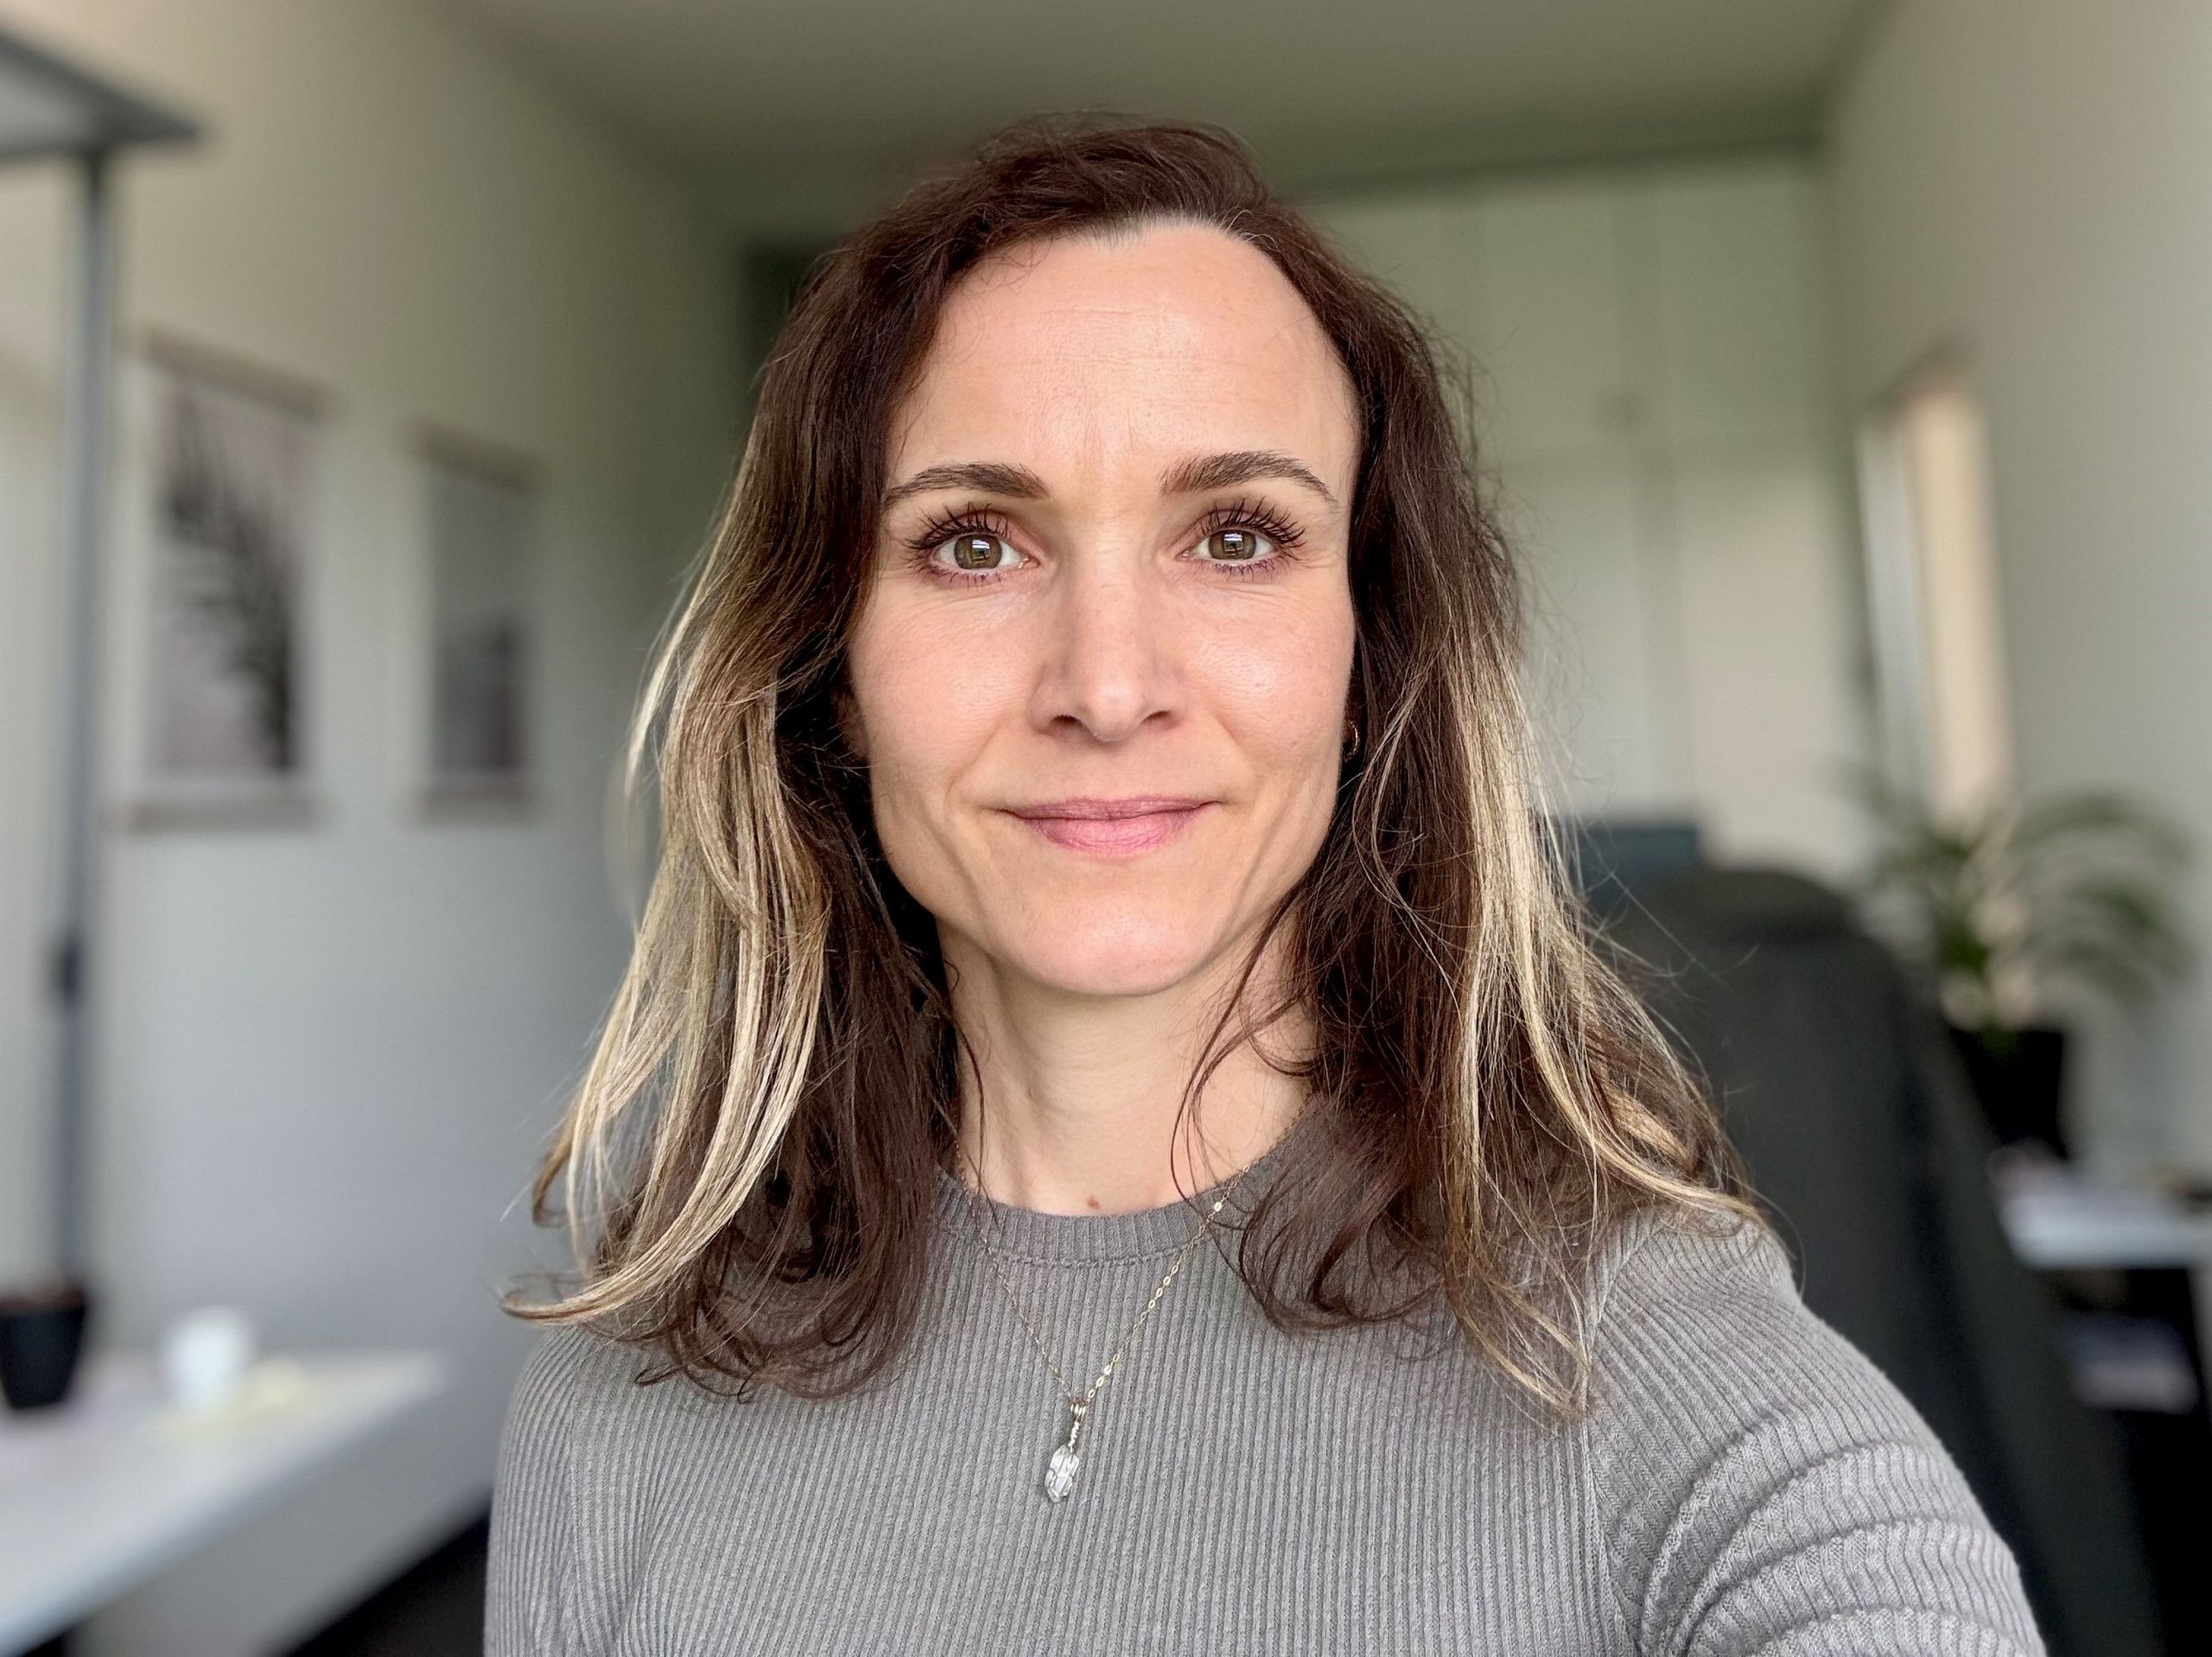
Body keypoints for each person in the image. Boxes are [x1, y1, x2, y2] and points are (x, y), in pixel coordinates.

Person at [485, 116, 2045, 1655]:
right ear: (831, 672)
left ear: (1371, 660)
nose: (1108, 687)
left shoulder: (1653, 1370)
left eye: (1235, 536)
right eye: (973, 544)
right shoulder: (617, 1403)